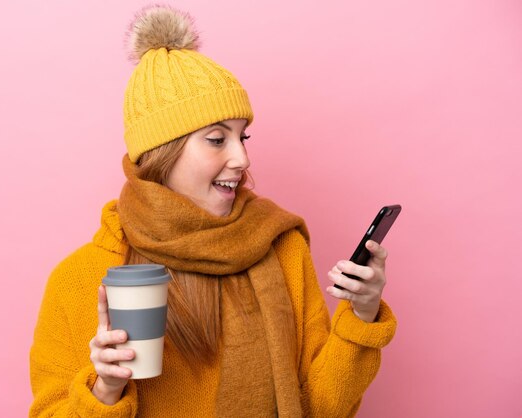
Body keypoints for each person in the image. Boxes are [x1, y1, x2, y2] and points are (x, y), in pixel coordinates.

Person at [29, 5, 397, 417]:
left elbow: (319, 408)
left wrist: (362, 316)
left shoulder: (281, 249)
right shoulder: (80, 279)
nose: (242, 158)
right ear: (161, 152)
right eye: (217, 140)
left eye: (244, 137)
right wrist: (106, 389)